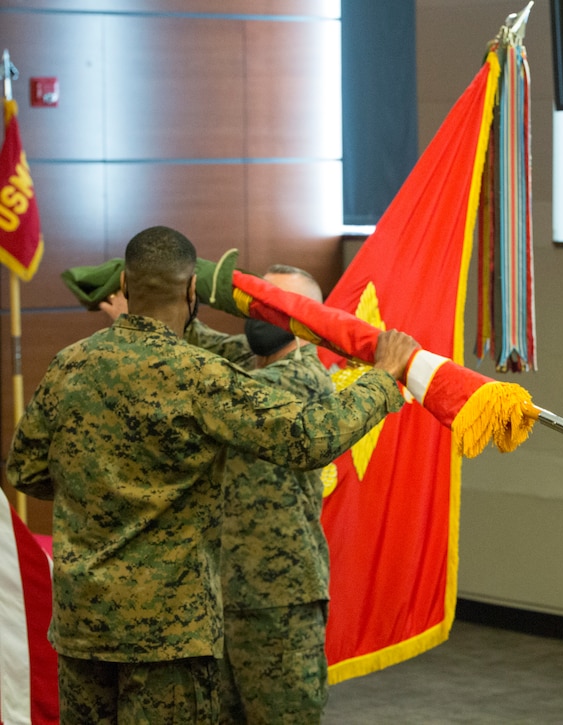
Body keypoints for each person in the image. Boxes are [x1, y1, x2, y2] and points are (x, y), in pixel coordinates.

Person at [6, 226, 419, 724]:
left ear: (126, 285)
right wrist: (382, 379)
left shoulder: (68, 366)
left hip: (82, 623)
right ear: (192, 291)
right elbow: (309, 438)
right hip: (167, 632)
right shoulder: (199, 376)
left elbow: (25, 469)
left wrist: (99, 494)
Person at [101, 263, 339, 723]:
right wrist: (144, 316)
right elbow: (198, 341)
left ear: (310, 320)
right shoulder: (245, 360)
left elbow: (211, 386)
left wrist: (145, 346)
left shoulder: (301, 380)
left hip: (278, 598)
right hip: (217, 592)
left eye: (279, 307)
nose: (262, 317)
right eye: (259, 304)